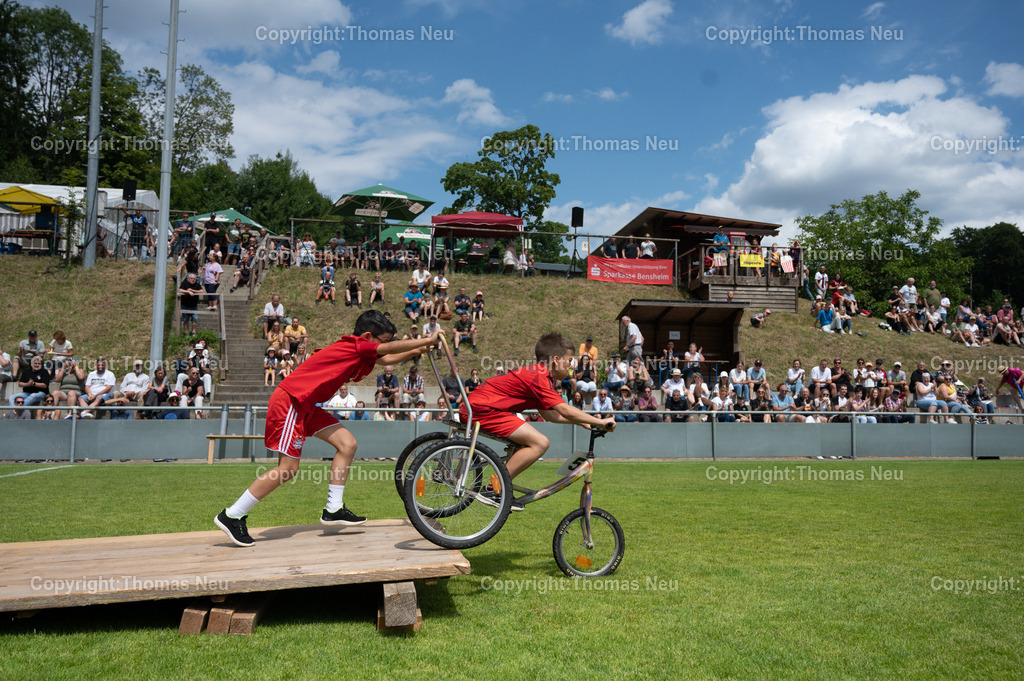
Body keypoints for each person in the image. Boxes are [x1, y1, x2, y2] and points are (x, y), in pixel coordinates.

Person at [215, 311, 441, 547]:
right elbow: (388, 351)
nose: (385, 345)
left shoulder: (362, 352)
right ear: (367, 336)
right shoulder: (356, 346)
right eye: (383, 340)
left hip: (307, 405)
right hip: (292, 401)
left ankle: (334, 509)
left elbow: (385, 358)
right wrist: (427, 339)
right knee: (287, 470)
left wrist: (420, 350)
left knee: (347, 444)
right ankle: (232, 515)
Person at [459, 332, 615, 510]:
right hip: (483, 410)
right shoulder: (539, 377)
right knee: (540, 443)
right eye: (569, 360)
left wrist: (584, 423)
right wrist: (600, 421)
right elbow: (563, 409)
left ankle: (498, 488)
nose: (571, 366)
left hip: (482, 408)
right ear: (556, 359)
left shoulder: (539, 375)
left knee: (535, 442)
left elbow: (551, 415)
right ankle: (494, 489)